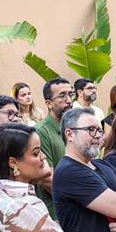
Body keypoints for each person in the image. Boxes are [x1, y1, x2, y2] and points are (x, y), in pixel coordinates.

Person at [36, 77, 73, 216]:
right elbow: (47, 179)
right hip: (58, 213)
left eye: (70, 94)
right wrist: (79, 201)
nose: (69, 100)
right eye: (62, 96)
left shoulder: (73, 128)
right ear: (49, 103)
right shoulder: (41, 131)